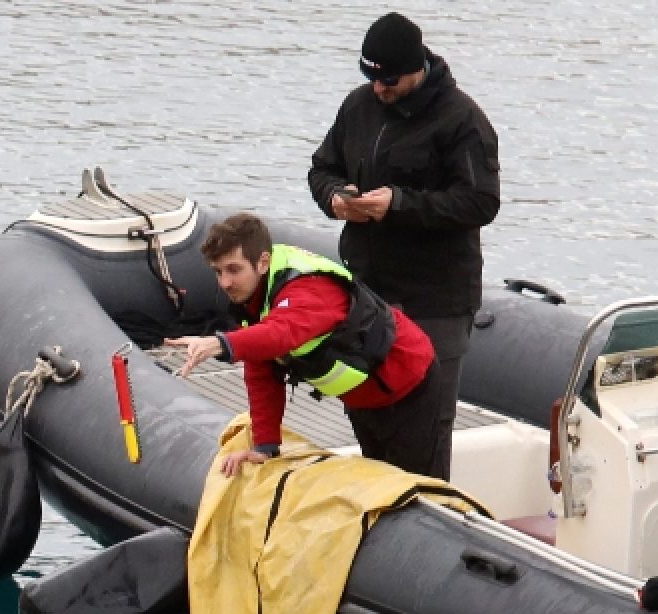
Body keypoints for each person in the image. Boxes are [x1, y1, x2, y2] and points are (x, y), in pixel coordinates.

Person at [307, 11, 501, 480]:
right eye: (371, 77)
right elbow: (322, 168)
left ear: (417, 69)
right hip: (367, 295)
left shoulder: (462, 119)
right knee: (368, 415)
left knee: (423, 430)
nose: (379, 88)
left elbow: (480, 202)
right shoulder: (358, 106)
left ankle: (429, 514)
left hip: (435, 302)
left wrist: (398, 204)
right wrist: (335, 198)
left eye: (390, 80)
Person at [166, 212, 441, 478]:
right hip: (363, 398)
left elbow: (282, 332)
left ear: (262, 263)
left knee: (419, 488)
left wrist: (220, 343)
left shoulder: (308, 288)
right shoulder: (253, 298)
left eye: (234, 270)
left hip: (408, 384)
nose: (225, 283)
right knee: (381, 479)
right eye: (218, 272)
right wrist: (265, 446)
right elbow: (262, 372)